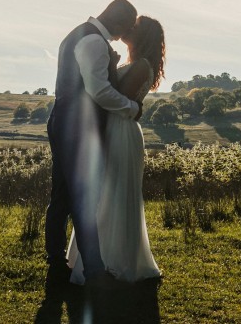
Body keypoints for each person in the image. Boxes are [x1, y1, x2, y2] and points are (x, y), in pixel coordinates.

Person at [44, 0, 142, 287]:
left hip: (64, 121)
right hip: (79, 127)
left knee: (61, 195)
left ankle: (56, 266)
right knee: (83, 198)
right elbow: (98, 91)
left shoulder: (79, 34)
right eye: (126, 28)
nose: (123, 36)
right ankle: (95, 272)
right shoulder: (94, 41)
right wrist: (131, 108)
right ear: (120, 22)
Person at [67, 15, 164, 284]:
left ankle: (116, 261)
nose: (128, 28)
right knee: (104, 193)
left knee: (114, 194)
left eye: (134, 27)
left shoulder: (142, 66)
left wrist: (109, 64)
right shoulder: (135, 63)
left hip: (121, 130)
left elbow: (116, 94)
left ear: (142, 35)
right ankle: (96, 259)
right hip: (114, 127)